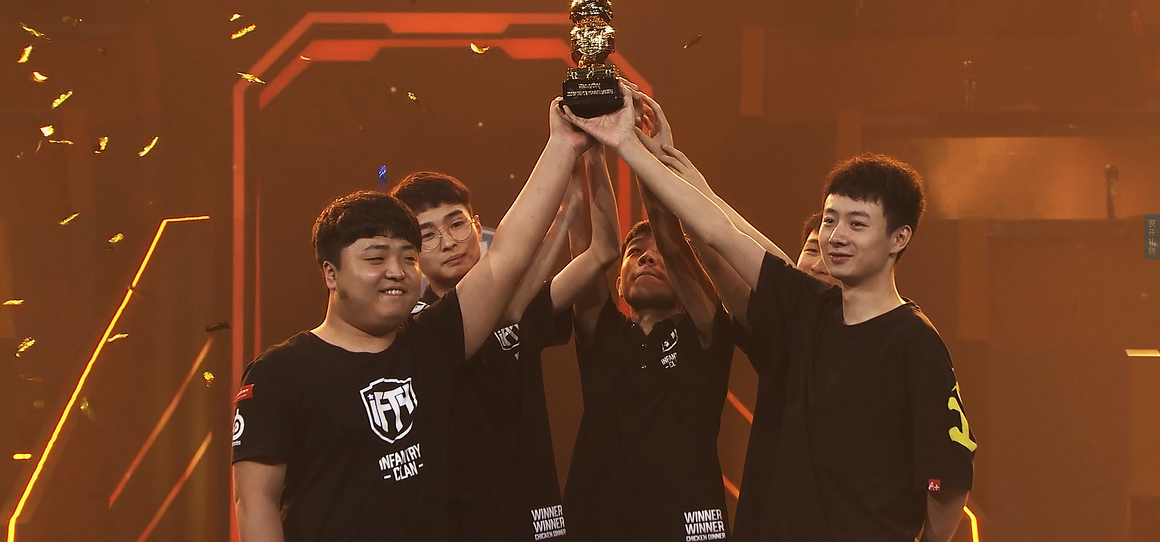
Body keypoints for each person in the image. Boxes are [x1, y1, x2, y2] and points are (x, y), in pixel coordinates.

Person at [563, 87, 976, 542]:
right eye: (830, 220)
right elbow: (720, 233)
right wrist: (652, 154)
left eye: (857, 224)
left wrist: (630, 147)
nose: (836, 236)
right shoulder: (808, 309)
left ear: (899, 238)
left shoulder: (914, 342)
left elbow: (947, 481)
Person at [231, 98, 589, 542]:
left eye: (407, 257)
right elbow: (255, 502)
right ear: (330, 273)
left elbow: (505, 258)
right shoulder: (279, 372)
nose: (396, 272)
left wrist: (562, 143)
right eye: (375, 258)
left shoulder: (430, 344)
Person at [562, 119, 737, 542]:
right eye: (635, 253)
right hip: (597, 525)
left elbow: (674, 242)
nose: (647, 258)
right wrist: (588, 148)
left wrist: (640, 152)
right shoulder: (602, 333)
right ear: (619, 283)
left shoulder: (706, 332)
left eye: (658, 254)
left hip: (688, 527)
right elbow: (585, 247)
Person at [389, 169, 581, 542]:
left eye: (456, 224)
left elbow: (596, 256)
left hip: (532, 514)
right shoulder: (408, 329)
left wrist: (573, 201)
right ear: (410, 252)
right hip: (451, 521)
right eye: (427, 235)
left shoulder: (520, 301)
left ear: (477, 226)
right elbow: (506, 296)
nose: (448, 242)